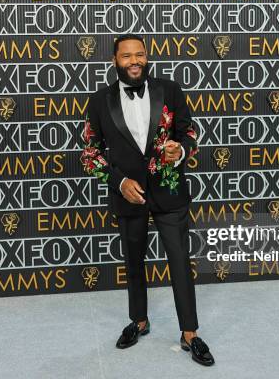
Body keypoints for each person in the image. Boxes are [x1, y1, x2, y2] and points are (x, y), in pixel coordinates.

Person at [80, 33, 214, 366]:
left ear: (147, 57)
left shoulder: (170, 90)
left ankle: (190, 333)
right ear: (115, 61)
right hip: (129, 195)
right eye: (126, 56)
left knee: (180, 262)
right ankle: (138, 321)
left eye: (140, 54)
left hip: (169, 191)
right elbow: (90, 153)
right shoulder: (99, 101)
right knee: (134, 262)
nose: (134, 61)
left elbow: (189, 132)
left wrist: (180, 150)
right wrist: (119, 181)